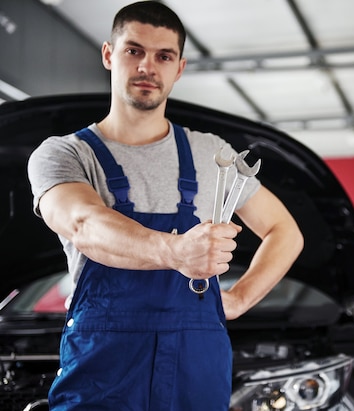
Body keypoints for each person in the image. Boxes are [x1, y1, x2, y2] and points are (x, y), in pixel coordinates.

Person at [26, 1, 304, 410]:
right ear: (108, 55)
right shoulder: (64, 154)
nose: (147, 67)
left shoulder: (214, 155)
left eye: (163, 56)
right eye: (133, 51)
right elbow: (84, 224)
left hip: (197, 368)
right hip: (105, 369)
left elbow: (286, 232)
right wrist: (176, 252)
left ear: (180, 67)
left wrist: (240, 298)